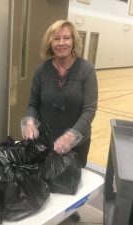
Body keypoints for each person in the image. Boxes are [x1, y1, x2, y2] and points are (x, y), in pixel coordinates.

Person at [21, 20, 98, 221]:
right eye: (56, 38)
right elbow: (33, 104)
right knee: (47, 181)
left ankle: (71, 210)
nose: (61, 42)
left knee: (70, 182)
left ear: (74, 41)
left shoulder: (86, 70)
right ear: (50, 42)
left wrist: (72, 135)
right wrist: (29, 121)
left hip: (77, 143)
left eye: (66, 37)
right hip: (46, 141)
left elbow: (89, 110)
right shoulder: (42, 70)